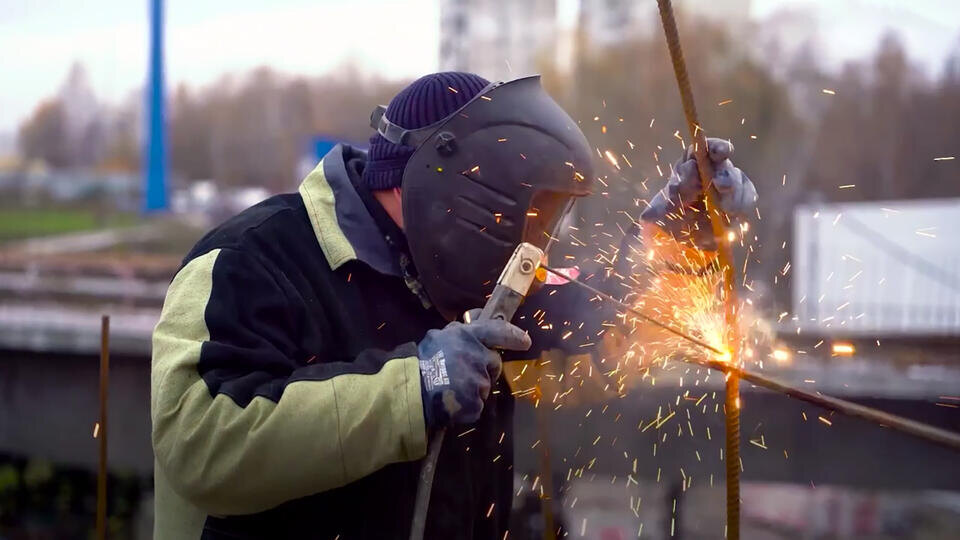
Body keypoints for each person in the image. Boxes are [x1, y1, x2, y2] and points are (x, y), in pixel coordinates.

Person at [151, 72, 756, 539]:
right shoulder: (252, 260)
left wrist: (676, 247)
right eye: (526, 212)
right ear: (459, 187)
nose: (535, 241)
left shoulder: (464, 286)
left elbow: (600, 359)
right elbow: (200, 445)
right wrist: (414, 389)